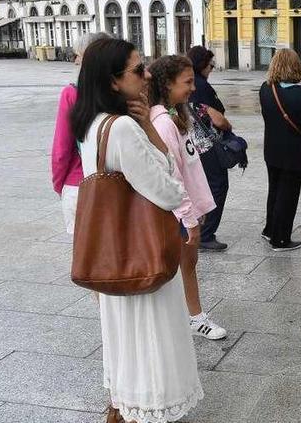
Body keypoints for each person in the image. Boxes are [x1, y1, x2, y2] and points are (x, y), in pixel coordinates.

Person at [70, 38, 202, 423]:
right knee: (151, 340)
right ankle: (147, 409)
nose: (146, 75)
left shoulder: (92, 124)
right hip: (143, 257)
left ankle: (124, 406)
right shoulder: (124, 128)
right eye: (137, 69)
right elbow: (168, 187)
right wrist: (146, 125)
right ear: (113, 82)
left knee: (125, 339)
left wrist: (146, 123)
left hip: (115, 256)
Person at [148, 55, 228, 340]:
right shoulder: (164, 123)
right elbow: (172, 176)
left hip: (187, 208)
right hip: (179, 213)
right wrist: (189, 215)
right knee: (182, 266)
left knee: (189, 264)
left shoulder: (176, 115)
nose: (194, 87)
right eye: (188, 82)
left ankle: (192, 315)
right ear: (167, 84)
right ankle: (192, 317)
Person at [50, 32, 110, 234]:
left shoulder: (72, 93)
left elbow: (61, 149)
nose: (75, 61)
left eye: (79, 55)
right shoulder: (122, 93)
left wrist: (60, 185)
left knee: (86, 259)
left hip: (79, 184)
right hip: (118, 185)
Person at [259, 49, 301, 251]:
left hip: (271, 149)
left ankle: (269, 229)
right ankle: (281, 239)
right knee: (288, 194)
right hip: (293, 152)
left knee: (274, 189)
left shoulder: (266, 89)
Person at [187, 46, 232, 251]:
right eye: (211, 65)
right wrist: (227, 126)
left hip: (192, 144)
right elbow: (216, 117)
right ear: (203, 65)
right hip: (205, 144)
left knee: (199, 185)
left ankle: (194, 228)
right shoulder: (200, 85)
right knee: (217, 185)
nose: (211, 69)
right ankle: (206, 233)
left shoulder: (190, 81)